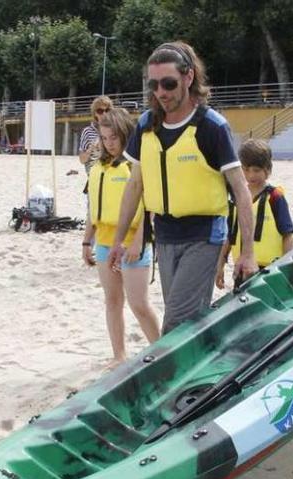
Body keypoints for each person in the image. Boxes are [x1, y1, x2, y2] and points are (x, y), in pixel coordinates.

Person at [107, 41, 258, 333]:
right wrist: (118, 239)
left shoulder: (212, 127)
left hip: (204, 235)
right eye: (154, 85)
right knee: (188, 323)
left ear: (188, 77)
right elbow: (135, 184)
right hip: (165, 235)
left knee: (176, 322)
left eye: (168, 83)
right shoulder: (146, 125)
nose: (161, 92)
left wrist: (247, 252)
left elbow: (241, 190)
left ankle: (169, 377)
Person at [82, 108, 160, 366]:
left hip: (133, 241)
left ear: (125, 134)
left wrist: (138, 240)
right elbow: (93, 207)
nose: (109, 143)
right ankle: (119, 355)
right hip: (104, 241)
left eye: (114, 137)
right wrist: (86, 241)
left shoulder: (135, 167)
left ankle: (162, 352)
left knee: (139, 304)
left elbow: (149, 208)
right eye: (104, 138)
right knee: (112, 300)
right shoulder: (99, 167)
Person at [216, 139, 293, 289]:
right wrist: (219, 266)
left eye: (256, 170)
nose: (251, 175)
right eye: (246, 169)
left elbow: (288, 235)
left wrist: (286, 268)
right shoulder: (236, 198)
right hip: (242, 267)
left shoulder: (275, 197)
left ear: (268, 170)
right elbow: (229, 236)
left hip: (271, 270)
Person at [78, 96, 114, 176]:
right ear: (95, 113)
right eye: (100, 111)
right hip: (93, 176)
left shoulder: (115, 130)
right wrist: (92, 147)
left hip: (111, 174)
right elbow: (82, 160)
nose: (104, 114)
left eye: (107, 110)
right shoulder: (87, 131)